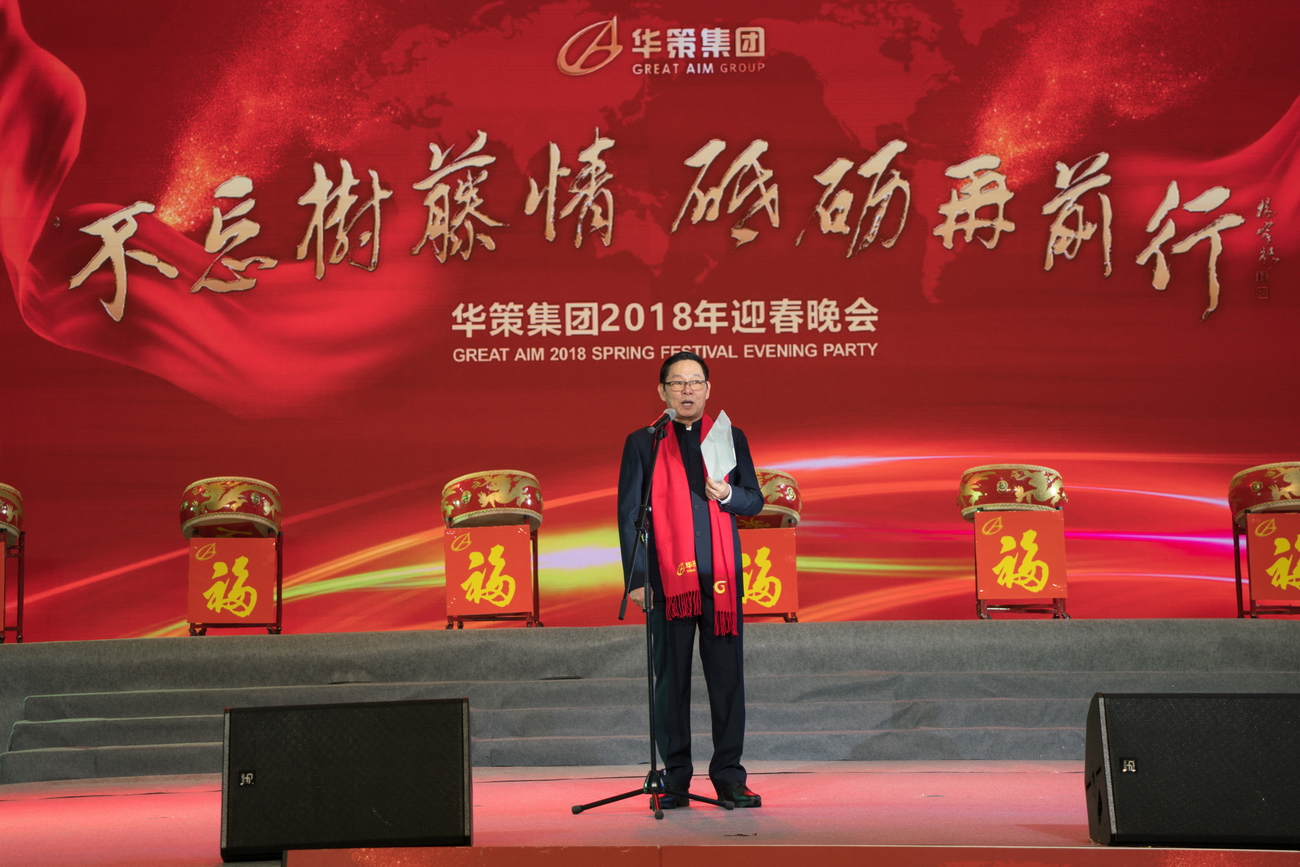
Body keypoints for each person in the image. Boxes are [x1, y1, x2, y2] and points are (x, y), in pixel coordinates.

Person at [617, 351, 764, 809]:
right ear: (662, 391)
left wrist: (729, 493)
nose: (687, 390)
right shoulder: (644, 442)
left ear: (708, 389)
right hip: (667, 581)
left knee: (727, 680)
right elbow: (630, 515)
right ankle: (675, 777)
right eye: (677, 382)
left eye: (695, 382)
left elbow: (754, 500)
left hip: (720, 578)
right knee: (671, 682)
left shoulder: (729, 437)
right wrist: (638, 578)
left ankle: (729, 777)